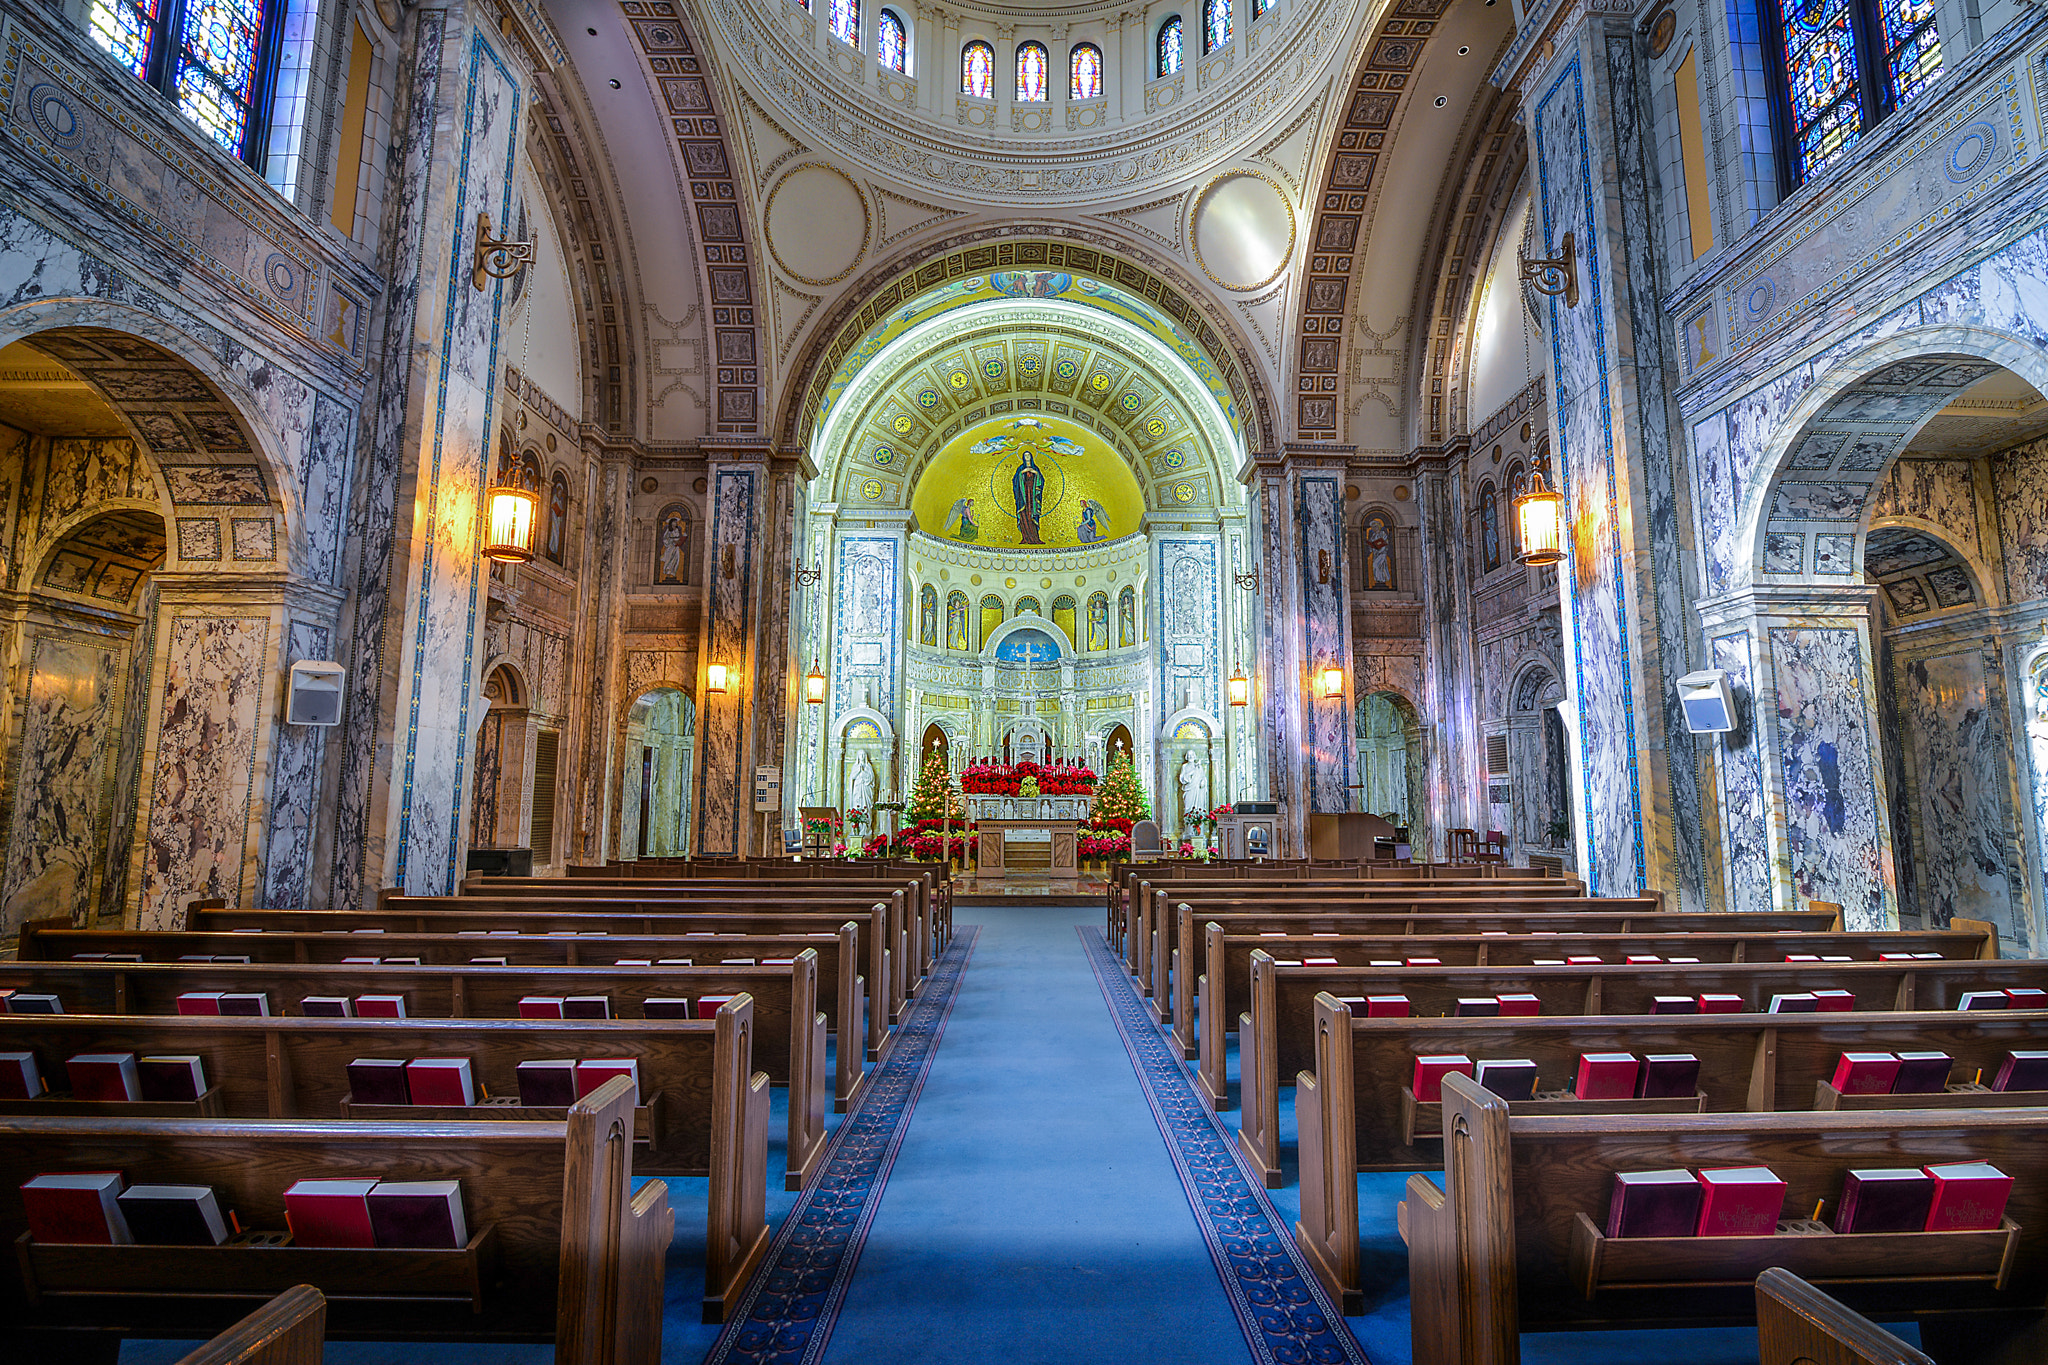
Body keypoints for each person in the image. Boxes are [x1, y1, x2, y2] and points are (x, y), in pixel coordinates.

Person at [1012, 450, 1045, 545]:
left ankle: (1035, 537)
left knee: (1033, 515)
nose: (1027, 457)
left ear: (1031, 457)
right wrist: (1022, 473)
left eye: (1028, 455)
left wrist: (1035, 473)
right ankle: (1025, 537)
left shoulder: (1036, 469)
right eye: (1025, 455)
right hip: (1023, 496)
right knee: (1024, 515)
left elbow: (1041, 481)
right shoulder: (1020, 469)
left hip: (1033, 496)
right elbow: (1015, 482)